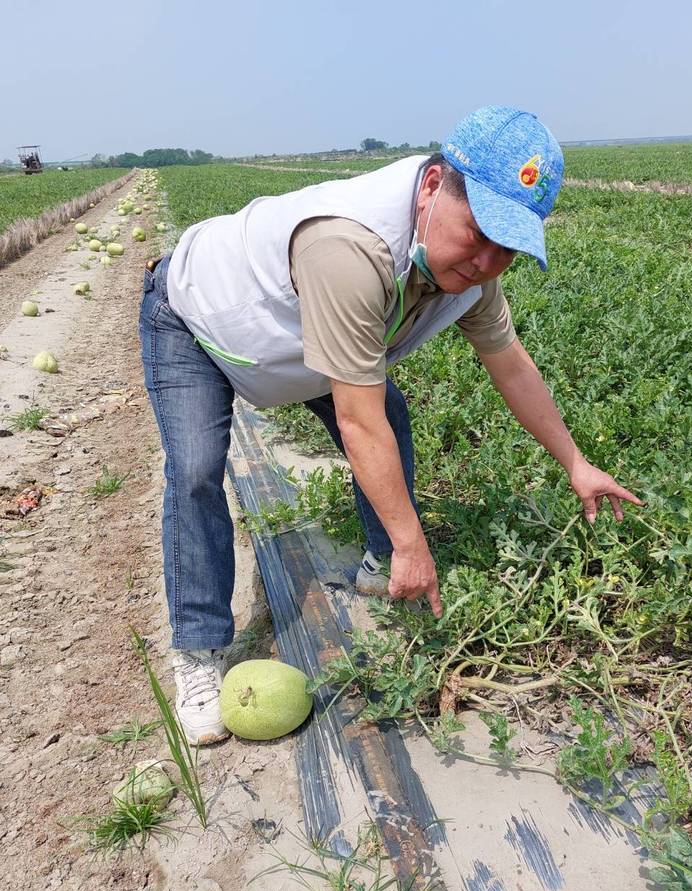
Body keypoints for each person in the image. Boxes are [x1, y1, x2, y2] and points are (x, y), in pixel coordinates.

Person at [138, 105, 643, 745]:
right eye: (479, 231)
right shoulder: (349, 249)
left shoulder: (469, 274)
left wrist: (575, 462)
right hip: (199, 325)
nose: (487, 260)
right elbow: (357, 421)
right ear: (432, 187)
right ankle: (199, 651)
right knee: (197, 471)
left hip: (299, 348)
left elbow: (511, 365)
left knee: (390, 411)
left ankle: (381, 561)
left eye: (507, 247)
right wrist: (415, 541)